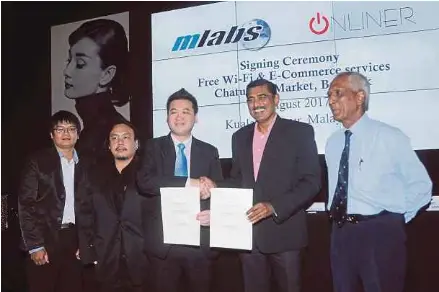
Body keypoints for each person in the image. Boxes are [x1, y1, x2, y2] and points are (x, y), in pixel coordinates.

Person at [325, 71, 432, 292]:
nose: (331, 101)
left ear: (360, 97)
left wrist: (393, 220)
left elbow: (421, 186)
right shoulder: (333, 142)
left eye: (338, 93)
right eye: (329, 96)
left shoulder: (389, 136)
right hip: (341, 234)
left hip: (379, 233)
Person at [220, 78, 321, 292]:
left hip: (285, 233)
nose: (256, 104)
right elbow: (238, 180)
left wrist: (273, 207)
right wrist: (214, 186)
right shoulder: (239, 137)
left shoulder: (299, 132)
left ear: (276, 99)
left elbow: (311, 182)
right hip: (249, 236)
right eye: (250, 99)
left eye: (262, 97)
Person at [136, 88, 223, 292]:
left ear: (196, 117)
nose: (179, 116)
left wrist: (214, 212)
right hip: (163, 246)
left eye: (186, 111)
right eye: (174, 111)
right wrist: (188, 182)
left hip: (199, 246)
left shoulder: (210, 151)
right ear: (167, 118)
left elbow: (219, 190)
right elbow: (145, 182)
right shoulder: (152, 147)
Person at [77, 119, 149, 292]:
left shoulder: (148, 174)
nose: (120, 142)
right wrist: (89, 252)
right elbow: (84, 213)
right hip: (105, 259)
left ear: (136, 144)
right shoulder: (93, 175)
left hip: (143, 259)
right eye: (114, 138)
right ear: (109, 145)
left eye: (126, 137)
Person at [17, 110, 84, 292]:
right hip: (44, 239)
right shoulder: (37, 161)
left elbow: (92, 206)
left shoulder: (87, 163)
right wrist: (35, 245)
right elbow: (26, 204)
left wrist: (87, 242)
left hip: (76, 240)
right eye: (60, 129)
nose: (66, 133)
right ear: (51, 134)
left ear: (78, 134)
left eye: (71, 129)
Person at [63, 18, 129, 166]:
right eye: (68, 61)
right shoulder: (92, 127)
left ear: (107, 74)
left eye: (80, 64)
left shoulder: (110, 131)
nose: (66, 71)